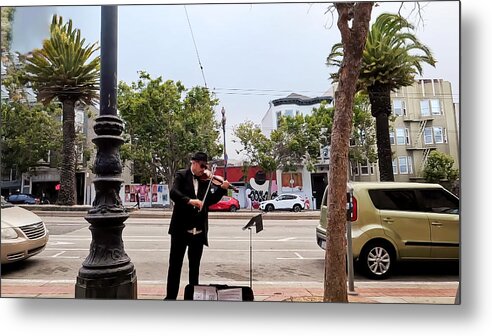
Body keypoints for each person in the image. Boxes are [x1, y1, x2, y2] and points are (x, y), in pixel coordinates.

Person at [164, 151, 230, 300]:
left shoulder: (205, 180)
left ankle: (193, 298)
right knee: (175, 266)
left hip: (198, 232)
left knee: (194, 268)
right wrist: (190, 201)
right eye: (201, 166)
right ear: (193, 163)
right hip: (180, 230)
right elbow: (173, 193)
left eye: (205, 167)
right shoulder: (181, 175)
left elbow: (210, 200)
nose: (203, 170)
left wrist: (222, 189)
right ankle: (170, 298)